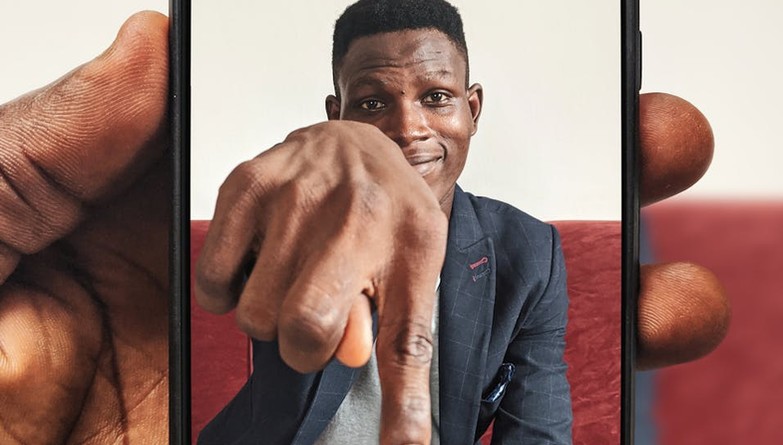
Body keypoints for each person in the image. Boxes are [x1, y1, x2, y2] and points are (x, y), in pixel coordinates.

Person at [0, 7, 728, 445]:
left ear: (473, 108)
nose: (408, 129)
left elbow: (538, 421)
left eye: (436, 96)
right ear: (335, 115)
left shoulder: (528, 250)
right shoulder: (295, 208)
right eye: (373, 103)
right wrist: (308, 163)